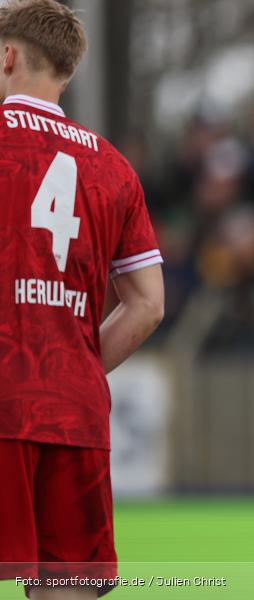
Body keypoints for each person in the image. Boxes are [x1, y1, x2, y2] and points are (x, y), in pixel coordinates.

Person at [0, 1, 164, 598]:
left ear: (9, 56)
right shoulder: (114, 168)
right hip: (73, 411)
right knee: (67, 585)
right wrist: (75, 366)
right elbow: (148, 304)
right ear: (67, 73)